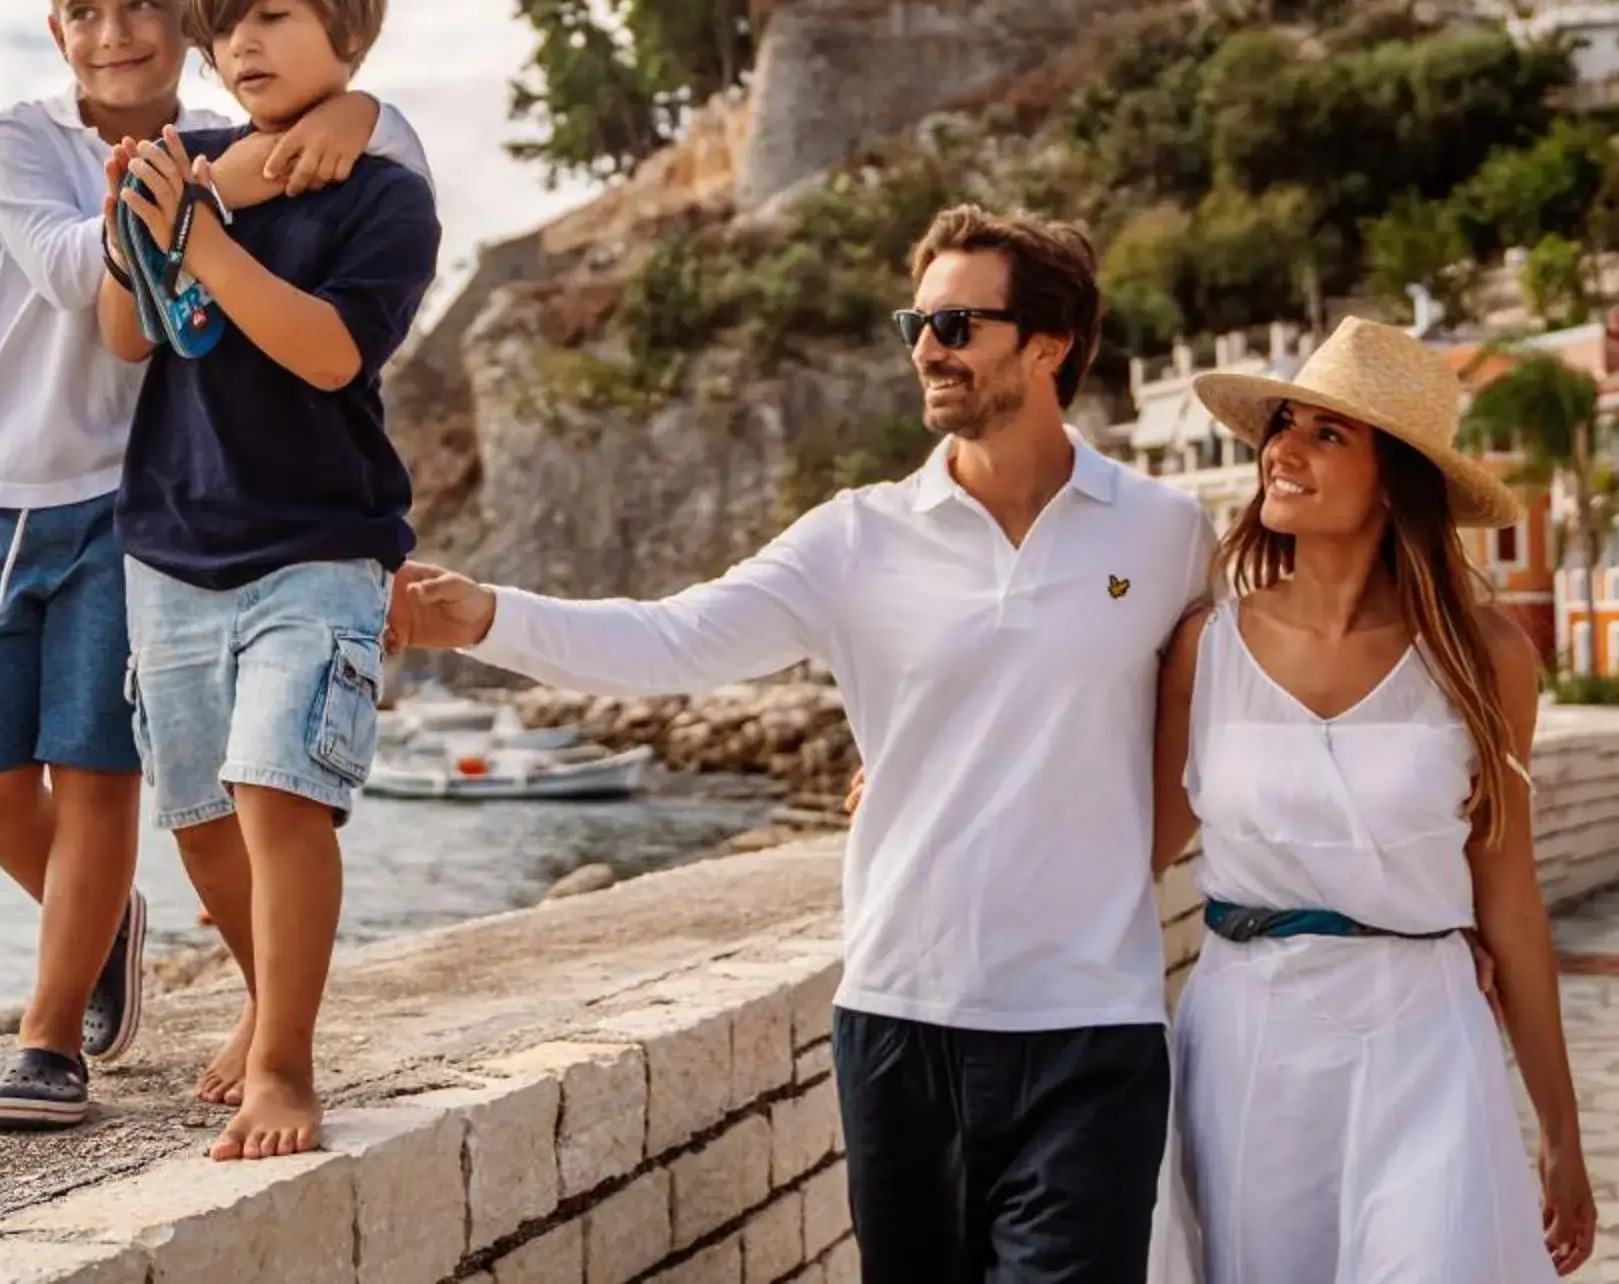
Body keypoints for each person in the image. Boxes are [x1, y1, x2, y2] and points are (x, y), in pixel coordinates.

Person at [394, 205, 1210, 1282]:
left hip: (1091, 1030)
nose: (926, 348)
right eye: (916, 322)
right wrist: (491, 616)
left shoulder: (1164, 532)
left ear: (1050, 343)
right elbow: (673, 637)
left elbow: (1210, 740)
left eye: (958, 324)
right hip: (899, 1021)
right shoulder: (855, 538)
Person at [0, 0, 424, 1135]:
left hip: (171, 516)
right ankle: (105, 931)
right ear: (55, 28)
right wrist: (197, 192)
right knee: (24, 790)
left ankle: (92, 1043)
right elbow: (96, 286)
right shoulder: (43, 137)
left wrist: (342, 119)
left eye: (150, 6)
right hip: (36, 505)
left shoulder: (271, 155)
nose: (118, 32)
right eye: (87, 11)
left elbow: (365, 195)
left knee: (177, 789)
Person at [101, 0, 441, 1161]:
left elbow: (327, 348)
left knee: (277, 791)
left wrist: (200, 228)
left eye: (273, 18)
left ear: (345, 30)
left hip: (320, 539)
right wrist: (144, 225)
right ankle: (260, 1003)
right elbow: (126, 333)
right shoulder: (187, 154)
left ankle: (288, 1065)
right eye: (223, 27)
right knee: (197, 814)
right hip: (171, 540)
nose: (239, 46)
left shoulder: (385, 194)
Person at [1155, 316, 1598, 1279]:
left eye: (1327, 434)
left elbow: (1509, 896)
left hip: (1425, 1036)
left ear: (1395, 480)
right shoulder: (1206, 648)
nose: (1283, 450)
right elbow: (1123, 847)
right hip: (1248, 1038)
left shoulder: (1487, 659)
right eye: (1283, 424)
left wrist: (1560, 1128)